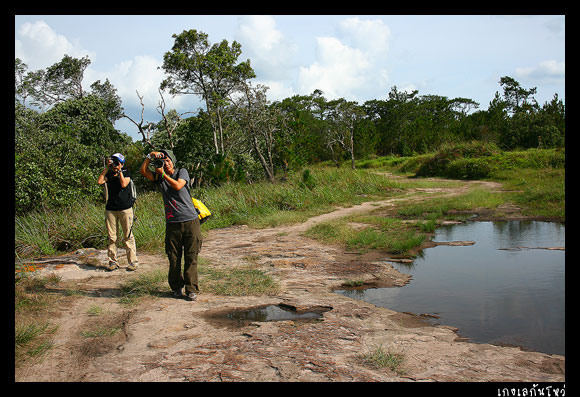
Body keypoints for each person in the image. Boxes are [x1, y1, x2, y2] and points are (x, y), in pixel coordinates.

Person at [139, 149, 202, 301]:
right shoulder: (159, 178)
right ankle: (176, 288)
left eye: (168, 160)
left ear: (173, 161)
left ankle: (191, 289)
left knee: (191, 256)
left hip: (190, 221)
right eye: (162, 161)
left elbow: (178, 186)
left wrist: (163, 174)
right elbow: (143, 171)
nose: (165, 164)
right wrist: (150, 157)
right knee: (173, 258)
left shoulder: (182, 172)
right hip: (172, 222)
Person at [97, 153, 139, 271]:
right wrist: (107, 168)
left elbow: (124, 184)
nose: (115, 165)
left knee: (128, 235)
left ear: (122, 163)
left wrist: (119, 171)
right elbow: (100, 181)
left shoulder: (126, 173)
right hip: (111, 209)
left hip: (125, 208)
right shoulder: (109, 174)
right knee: (112, 237)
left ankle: (133, 261)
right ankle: (113, 262)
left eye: (117, 162)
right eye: (114, 162)